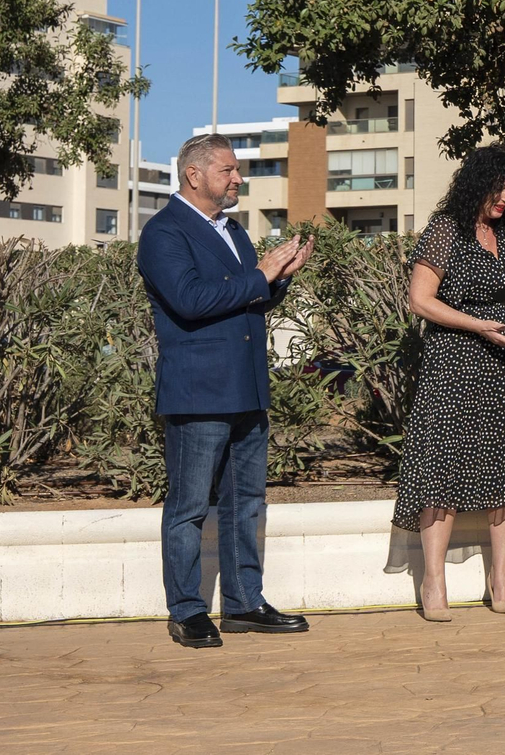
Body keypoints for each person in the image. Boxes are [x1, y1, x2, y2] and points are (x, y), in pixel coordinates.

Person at [137, 133, 316, 650]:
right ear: (194, 175)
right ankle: (188, 610)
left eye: (237, 171)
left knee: (246, 504)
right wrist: (262, 273)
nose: (238, 178)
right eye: (228, 170)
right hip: (198, 393)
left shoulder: (234, 232)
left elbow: (243, 301)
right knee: (190, 506)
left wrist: (277, 279)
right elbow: (192, 301)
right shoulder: (164, 232)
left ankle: (244, 604)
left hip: (245, 388)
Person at [392, 147, 505, 620]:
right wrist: (477, 325)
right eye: (500, 188)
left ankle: (502, 578)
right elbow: (420, 300)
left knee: (504, 465)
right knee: (443, 465)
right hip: (454, 359)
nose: (504, 198)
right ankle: (434, 581)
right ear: (477, 183)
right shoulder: (446, 229)